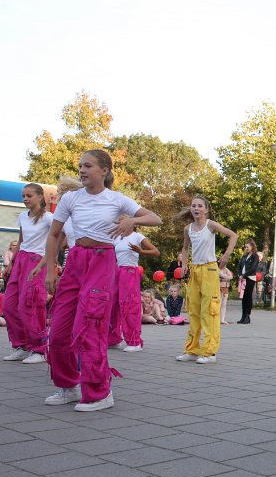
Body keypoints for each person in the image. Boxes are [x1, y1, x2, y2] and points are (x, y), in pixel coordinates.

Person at [32, 149, 162, 412]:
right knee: (57, 331)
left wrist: (133, 221)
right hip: (75, 262)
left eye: (87, 166)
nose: (81, 170)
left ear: (104, 170)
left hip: (102, 261)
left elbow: (155, 219)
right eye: (80, 166)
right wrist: (49, 271)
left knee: (90, 327)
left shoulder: (116, 199)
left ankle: (100, 393)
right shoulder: (71, 198)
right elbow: (54, 235)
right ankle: (68, 385)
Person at [176, 196, 238, 364]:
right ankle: (192, 350)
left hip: (210, 268)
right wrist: (184, 264)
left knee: (209, 311)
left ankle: (210, 352)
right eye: (193, 206)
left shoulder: (211, 225)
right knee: (194, 311)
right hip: (195, 270)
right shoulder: (188, 228)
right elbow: (185, 246)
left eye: (200, 206)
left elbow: (233, 235)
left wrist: (226, 255)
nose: (196, 208)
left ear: (206, 210)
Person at [2, 183, 53, 364]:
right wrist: (11, 263)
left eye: (29, 196)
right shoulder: (23, 216)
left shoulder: (49, 218)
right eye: (23, 196)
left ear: (40, 197)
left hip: (37, 262)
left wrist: (46, 262)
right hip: (21, 261)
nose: (25, 199)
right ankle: (22, 345)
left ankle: (39, 349)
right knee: (8, 305)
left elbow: (58, 240)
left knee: (30, 305)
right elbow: (21, 240)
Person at [108, 227, 159, 352]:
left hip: (130, 271)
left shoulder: (137, 236)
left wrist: (140, 251)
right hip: (117, 271)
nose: (119, 221)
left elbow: (155, 251)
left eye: (123, 217)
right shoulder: (116, 237)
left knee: (129, 306)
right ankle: (113, 339)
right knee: (113, 305)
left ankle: (134, 341)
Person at [237, 239, 259, 324]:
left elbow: (253, 268)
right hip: (243, 278)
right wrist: (240, 275)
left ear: (252, 246)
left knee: (248, 296)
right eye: (245, 247)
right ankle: (243, 316)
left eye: (247, 247)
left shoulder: (255, 256)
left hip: (250, 278)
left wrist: (244, 275)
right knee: (243, 298)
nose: (246, 248)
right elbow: (239, 266)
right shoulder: (244, 256)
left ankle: (247, 316)